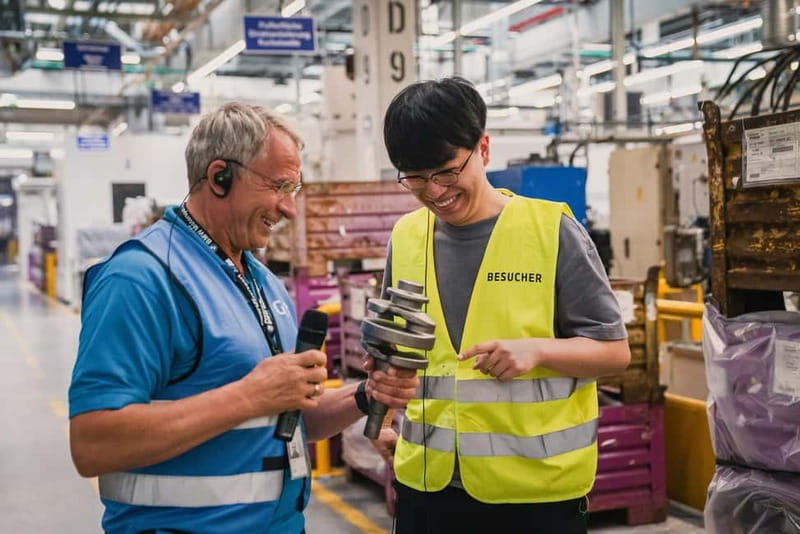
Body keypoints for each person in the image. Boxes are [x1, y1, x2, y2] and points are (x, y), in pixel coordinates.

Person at [68, 102, 418, 534]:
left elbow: (289, 420)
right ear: (220, 177)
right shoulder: (140, 280)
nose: (290, 209)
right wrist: (251, 396)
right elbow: (92, 443)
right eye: (279, 186)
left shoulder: (262, 282)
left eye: (296, 189)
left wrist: (363, 395)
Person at [374, 77, 632, 534]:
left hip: (533, 497)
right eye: (415, 178)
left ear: (483, 149)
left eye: (447, 171)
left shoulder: (551, 231)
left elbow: (614, 352)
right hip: (426, 487)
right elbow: (398, 352)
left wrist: (538, 351)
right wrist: (384, 415)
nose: (434, 192)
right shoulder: (406, 236)